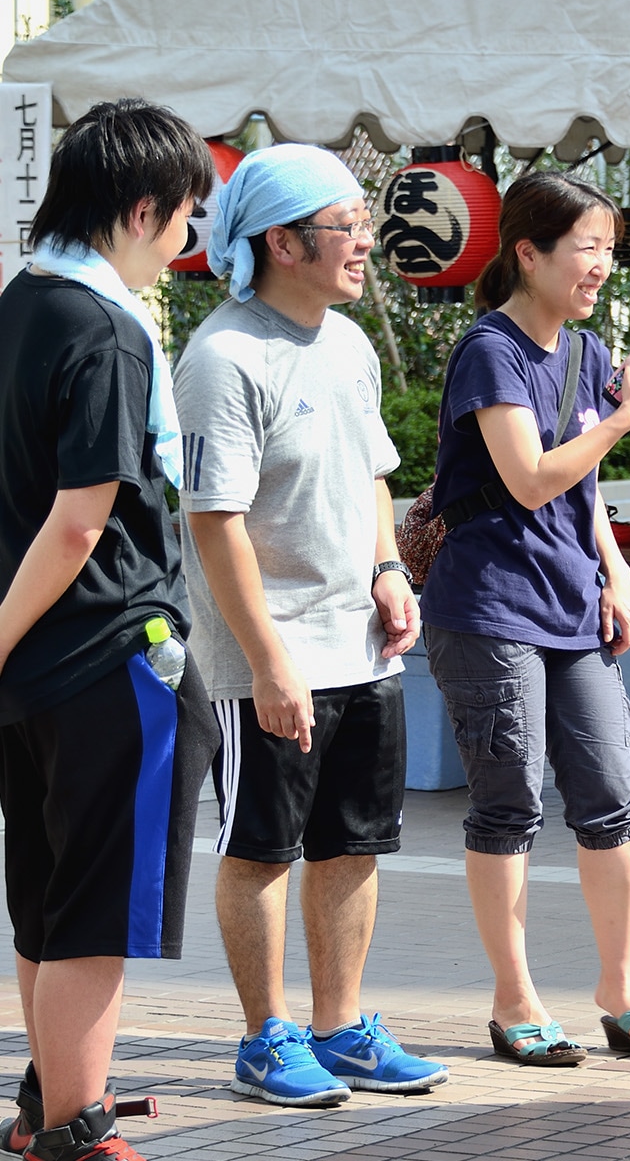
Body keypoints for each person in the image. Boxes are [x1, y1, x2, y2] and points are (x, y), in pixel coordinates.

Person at [174, 144, 447, 1107]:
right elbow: (215, 526)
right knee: (260, 847)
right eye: (347, 226)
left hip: (361, 649)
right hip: (270, 660)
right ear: (281, 242)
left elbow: (374, 473)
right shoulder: (221, 357)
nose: (366, 241)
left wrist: (386, 568)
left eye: (364, 223)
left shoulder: (348, 344)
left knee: (355, 842)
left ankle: (342, 1030)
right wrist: (266, 661)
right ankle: (264, 1040)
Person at [0, 99, 220, 1161]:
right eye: (185, 220)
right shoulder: (105, 329)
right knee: (93, 906)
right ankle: (79, 1131)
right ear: (143, 209)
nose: (185, 247)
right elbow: (85, 519)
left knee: (45, 896)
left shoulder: (19, 305)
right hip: (106, 658)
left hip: (33, 673)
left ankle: (48, 1109)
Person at [421, 170, 630, 1066]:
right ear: (528, 254)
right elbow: (532, 477)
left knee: (611, 794)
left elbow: (585, 491)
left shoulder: (586, 350)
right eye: (587, 247)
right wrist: (629, 415)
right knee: (510, 802)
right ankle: (514, 999)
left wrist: (617, 575)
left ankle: (621, 992)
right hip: (490, 609)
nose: (602, 264)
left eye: (610, 248)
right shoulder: (490, 351)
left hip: (574, 606)